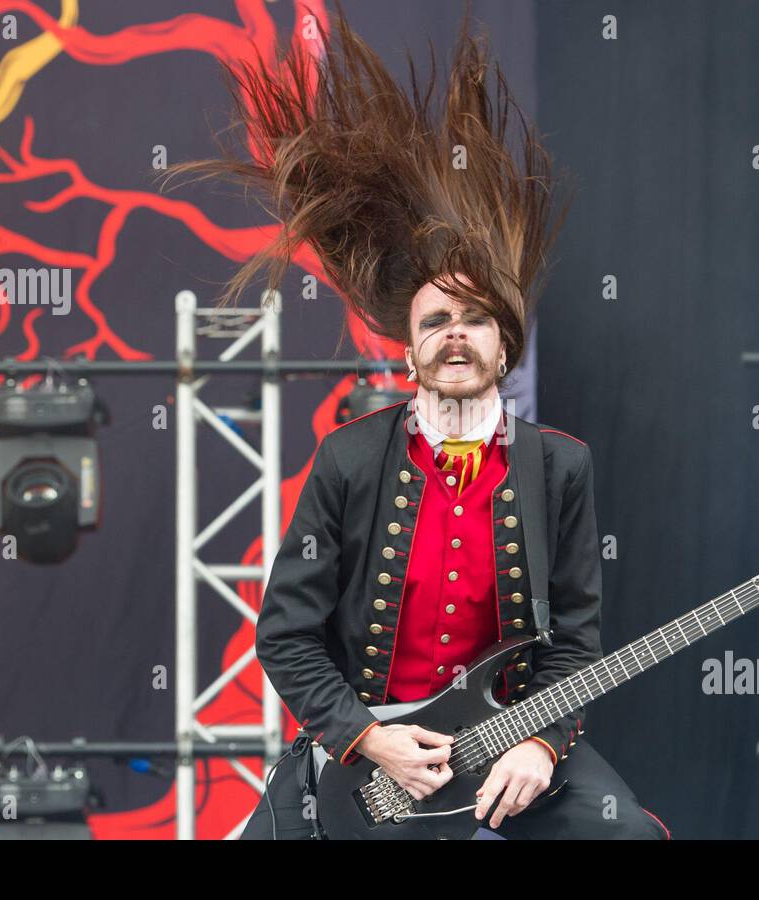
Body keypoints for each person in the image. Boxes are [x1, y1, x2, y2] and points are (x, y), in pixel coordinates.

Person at [190, 2, 667, 839]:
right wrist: (369, 737)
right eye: (435, 320)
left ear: (504, 343)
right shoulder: (348, 460)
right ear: (408, 350)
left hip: (509, 743)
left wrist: (544, 744)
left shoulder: (561, 467)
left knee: (622, 831)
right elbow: (287, 635)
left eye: (476, 319)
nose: (456, 334)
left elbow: (575, 644)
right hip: (376, 761)